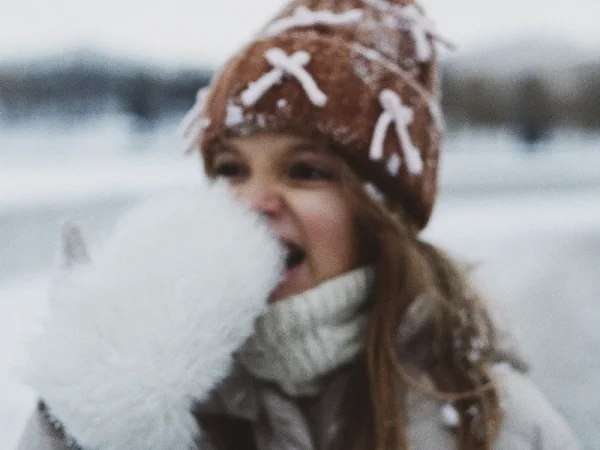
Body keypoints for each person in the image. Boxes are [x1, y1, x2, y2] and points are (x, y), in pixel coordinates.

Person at [18, 0, 580, 449]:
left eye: (306, 171)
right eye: (231, 169)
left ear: (381, 214)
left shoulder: (492, 420)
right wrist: (95, 396)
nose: (255, 202)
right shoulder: (165, 386)